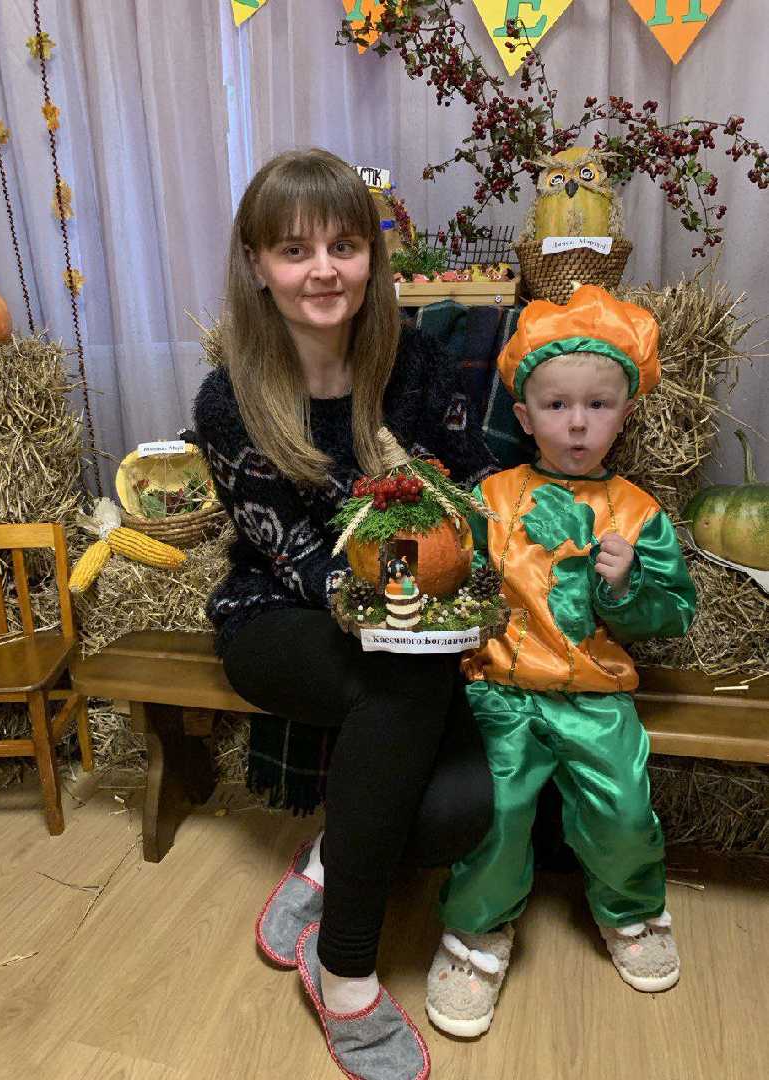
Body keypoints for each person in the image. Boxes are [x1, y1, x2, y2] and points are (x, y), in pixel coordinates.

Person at [193, 148, 518, 1080]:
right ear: (257, 264)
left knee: (456, 813)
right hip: (279, 617)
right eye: (294, 250)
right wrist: (404, 611)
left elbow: (473, 482)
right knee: (405, 676)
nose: (323, 269)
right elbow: (293, 555)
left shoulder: (415, 362)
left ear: (372, 258)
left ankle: (329, 859)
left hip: (411, 628)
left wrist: (476, 570)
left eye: (343, 245)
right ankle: (343, 972)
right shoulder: (229, 400)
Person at [424, 286, 697, 1039]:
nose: (577, 423)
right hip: (503, 691)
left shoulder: (637, 514)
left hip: (594, 695)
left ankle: (632, 910)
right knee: (497, 806)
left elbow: (674, 613)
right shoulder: (491, 499)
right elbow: (455, 578)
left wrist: (627, 586)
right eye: (556, 406)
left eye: (598, 406)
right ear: (524, 416)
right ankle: (479, 927)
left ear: (625, 413)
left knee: (623, 805)